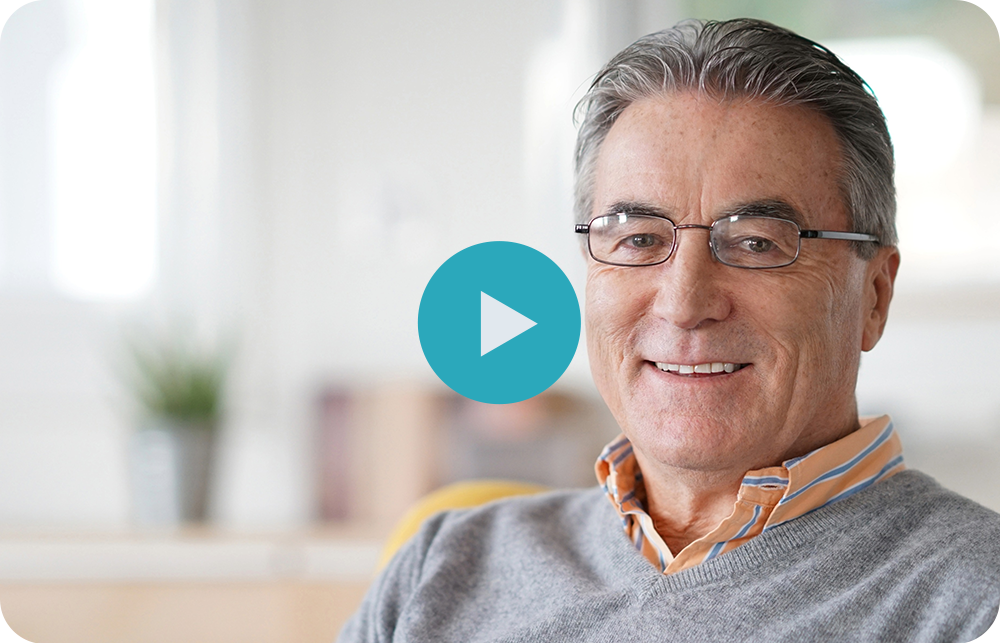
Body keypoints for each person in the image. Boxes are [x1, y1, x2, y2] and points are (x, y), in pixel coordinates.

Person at [339, 18, 1000, 642]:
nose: (685, 302)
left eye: (758, 243)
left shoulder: (972, 601)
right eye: (638, 238)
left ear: (874, 296)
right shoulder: (441, 567)